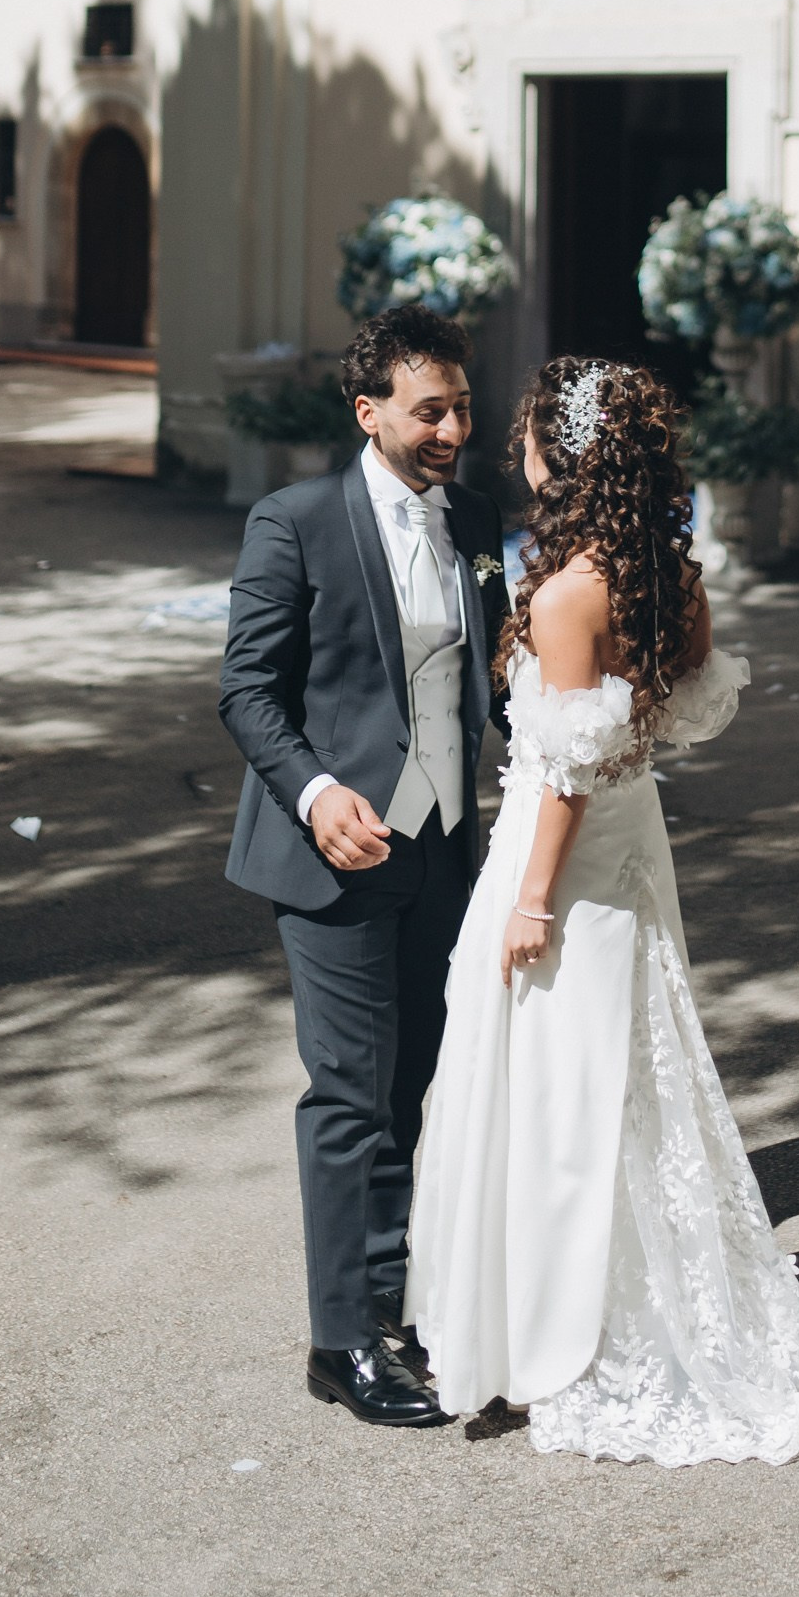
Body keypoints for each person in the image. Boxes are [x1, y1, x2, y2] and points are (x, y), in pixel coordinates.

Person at [406, 354, 799, 1464]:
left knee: (564, 1093)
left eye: (522, 434)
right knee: (625, 1080)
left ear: (559, 455)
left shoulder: (567, 593)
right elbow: (685, 711)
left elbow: (562, 771)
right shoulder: (665, 574)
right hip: (634, 844)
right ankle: (569, 1314)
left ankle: (564, 1333)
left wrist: (526, 901)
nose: (509, 449)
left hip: (563, 861)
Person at [217, 304, 508, 1429]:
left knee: (409, 1084)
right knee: (348, 1093)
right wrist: (315, 790)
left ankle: (390, 1303)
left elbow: (483, 675)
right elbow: (247, 689)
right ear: (368, 411)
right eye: (428, 409)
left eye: (461, 407)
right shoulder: (294, 521)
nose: (451, 428)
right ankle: (341, 1340)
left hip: (441, 846)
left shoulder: (472, 516)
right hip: (331, 853)